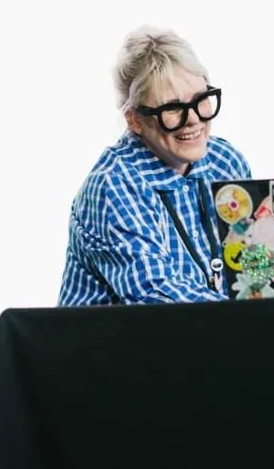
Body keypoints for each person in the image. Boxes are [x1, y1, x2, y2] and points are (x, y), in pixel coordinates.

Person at [58, 25, 251, 305]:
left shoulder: (225, 162)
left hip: (209, 341)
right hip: (117, 345)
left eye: (201, 100)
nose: (194, 120)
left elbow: (248, 265)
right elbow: (157, 296)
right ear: (133, 119)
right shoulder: (113, 186)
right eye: (172, 108)